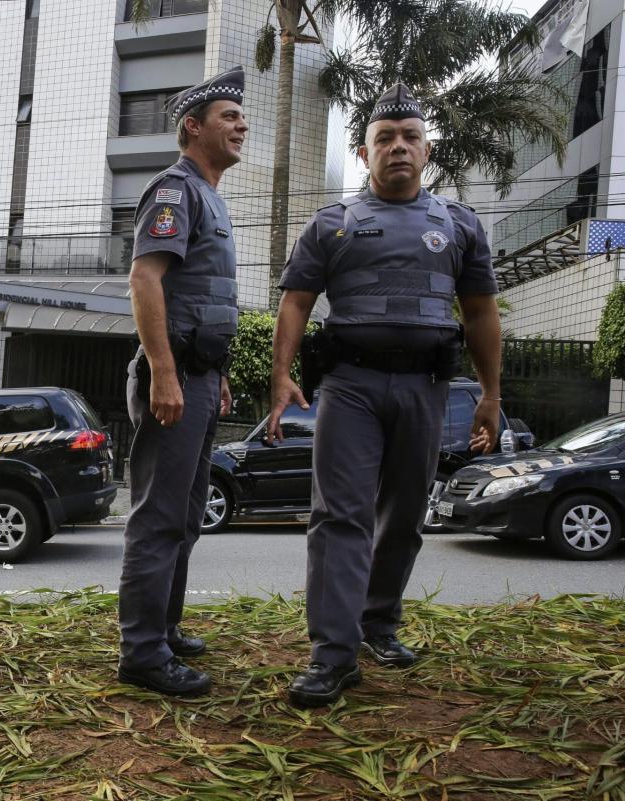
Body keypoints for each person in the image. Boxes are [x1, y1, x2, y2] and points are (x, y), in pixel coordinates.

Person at [269, 84, 502, 708]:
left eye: (410, 138)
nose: (398, 147)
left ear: (427, 151)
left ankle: (378, 625)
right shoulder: (333, 223)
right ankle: (332, 656)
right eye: (384, 138)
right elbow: (295, 301)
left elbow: (480, 313)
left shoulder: (458, 225)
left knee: (404, 515)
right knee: (339, 517)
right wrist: (281, 374)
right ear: (365, 151)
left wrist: (489, 394)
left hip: (427, 388)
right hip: (350, 387)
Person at [116, 66, 247, 698]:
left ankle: (162, 628)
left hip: (199, 376)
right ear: (193, 127)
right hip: (175, 379)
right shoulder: (175, 190)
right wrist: (165, 372)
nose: (241, 124)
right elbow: (146, 281)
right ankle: (141, 652)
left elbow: (202, 298)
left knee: (188, 515)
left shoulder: (209, 194)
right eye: (229, 116)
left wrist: (210, 376)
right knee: (160, 517)